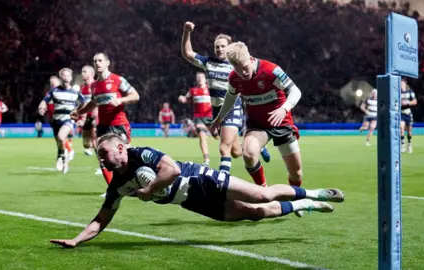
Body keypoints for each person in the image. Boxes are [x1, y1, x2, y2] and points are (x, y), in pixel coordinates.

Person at [50, 133, 344, 248]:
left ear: (120, 147)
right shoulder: (116, 184)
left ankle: (312, 193)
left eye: (104, 154)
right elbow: (102, 218)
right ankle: (306, 206)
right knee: (254, 215)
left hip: (200, 179)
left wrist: (149, 189)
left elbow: (173, 170)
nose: (101, 159)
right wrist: (76, 240)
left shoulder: (141, 153)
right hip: (192, 202)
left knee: (262, 195)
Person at [210, 42, 305, 216]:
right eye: (238, 69)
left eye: (245, 67)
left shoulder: (271, 70)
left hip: (281, 122)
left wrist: (284, 108)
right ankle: (264, 192)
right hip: (257, 125)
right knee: (248, 153)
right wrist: (219, 118)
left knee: (296, 173)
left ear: (251, 58)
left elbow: (295, 91)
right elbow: (231, 97)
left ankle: (295, 198)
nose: (243, 73)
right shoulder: (234, 78)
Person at [181, 21, 270, 174]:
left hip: (232, 109)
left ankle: (222, 184)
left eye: (223, 46)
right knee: (236, 152)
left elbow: (255, 73)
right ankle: (258, 145)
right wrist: (186, 31)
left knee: (223, 148)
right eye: (217, 46)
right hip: (216, 113)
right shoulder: (208, 62)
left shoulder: (236, 64)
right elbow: (187, 53)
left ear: (229, 48)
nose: (220, 49)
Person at [71, 52, 140, 186]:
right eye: (95, 61)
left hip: (119, 124)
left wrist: (120, 100)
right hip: (103, 126)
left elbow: (135, 95)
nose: (97, 63)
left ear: (107, 63)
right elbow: (93, 103)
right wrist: (79, 112)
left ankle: (138, 181)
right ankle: (112, 188)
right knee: (102, 156)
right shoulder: (94, 86)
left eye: (100, 60)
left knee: (126, 155)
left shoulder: (117, 80)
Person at [38, 68, 85, 174]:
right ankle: (63, 157)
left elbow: (84, 104)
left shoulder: (75, 92)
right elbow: (44, 101)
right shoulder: (54, 91)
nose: (65, 77)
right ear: (60, 77)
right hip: (56, 120)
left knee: (61, 136)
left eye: (68, 75)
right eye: (63, 75)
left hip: (68, 120)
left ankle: (63, 156)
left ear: (71, 77)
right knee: (59, 142)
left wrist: (79, 113)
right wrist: (41, 107)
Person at [178, 72, 213, 165]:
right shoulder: (193, 90)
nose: (200, 79)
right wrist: (181, 98)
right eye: (198, 77)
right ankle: (206, 159)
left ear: (205, 79)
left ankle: (211, 132)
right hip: (198, 117)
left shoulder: (211, 89)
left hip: (211, 116)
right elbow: (185, 98)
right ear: (196, 80)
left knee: (217, 135)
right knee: (202, 136)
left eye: (202, 77)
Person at [77, 65, 98, 157]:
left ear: (92, 73)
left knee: (95, 139)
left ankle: (102, 165)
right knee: (86, 144)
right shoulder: (81, 87)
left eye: (85, 71)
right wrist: (78, 115)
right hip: (85, 117)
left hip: (95, 116)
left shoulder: (96, 85)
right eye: (82, 71)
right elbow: (82, 104)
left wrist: (96, 111)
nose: (82, 73)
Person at [400, 79, 417, 153]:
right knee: (401, 129)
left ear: (405, 84)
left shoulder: (410, 92)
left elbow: (415, 101)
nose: (401, 84)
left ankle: (409, 144)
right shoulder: (397, 92)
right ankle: (402, 145)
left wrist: (407, 103)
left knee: (409, 131)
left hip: (408, 113)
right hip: (401, 113)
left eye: (402, 83)